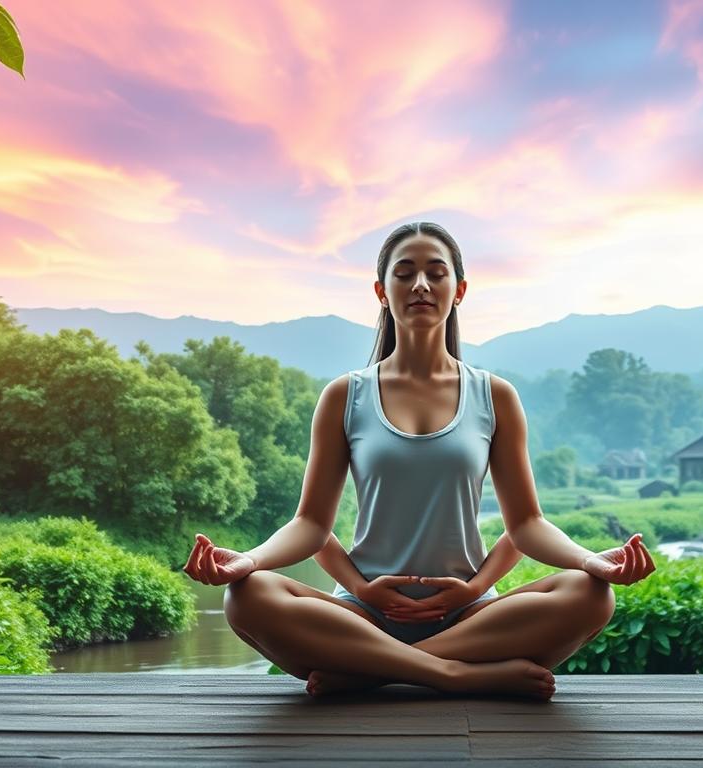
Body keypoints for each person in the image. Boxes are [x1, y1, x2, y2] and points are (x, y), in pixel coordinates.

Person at [182, 221, 656, 700]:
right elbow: (310, 525)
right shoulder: (345, 396)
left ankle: (373, 669)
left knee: (592, 593)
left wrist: (588, 561)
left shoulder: (495, 396)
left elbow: (527, 525)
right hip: (363, 614)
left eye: (436, 273)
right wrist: (251, 561)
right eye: (404, 274)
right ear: (382, 292)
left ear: (460, 290)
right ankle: (452, 674)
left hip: (471, 616)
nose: (421, 285)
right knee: (247, 597)